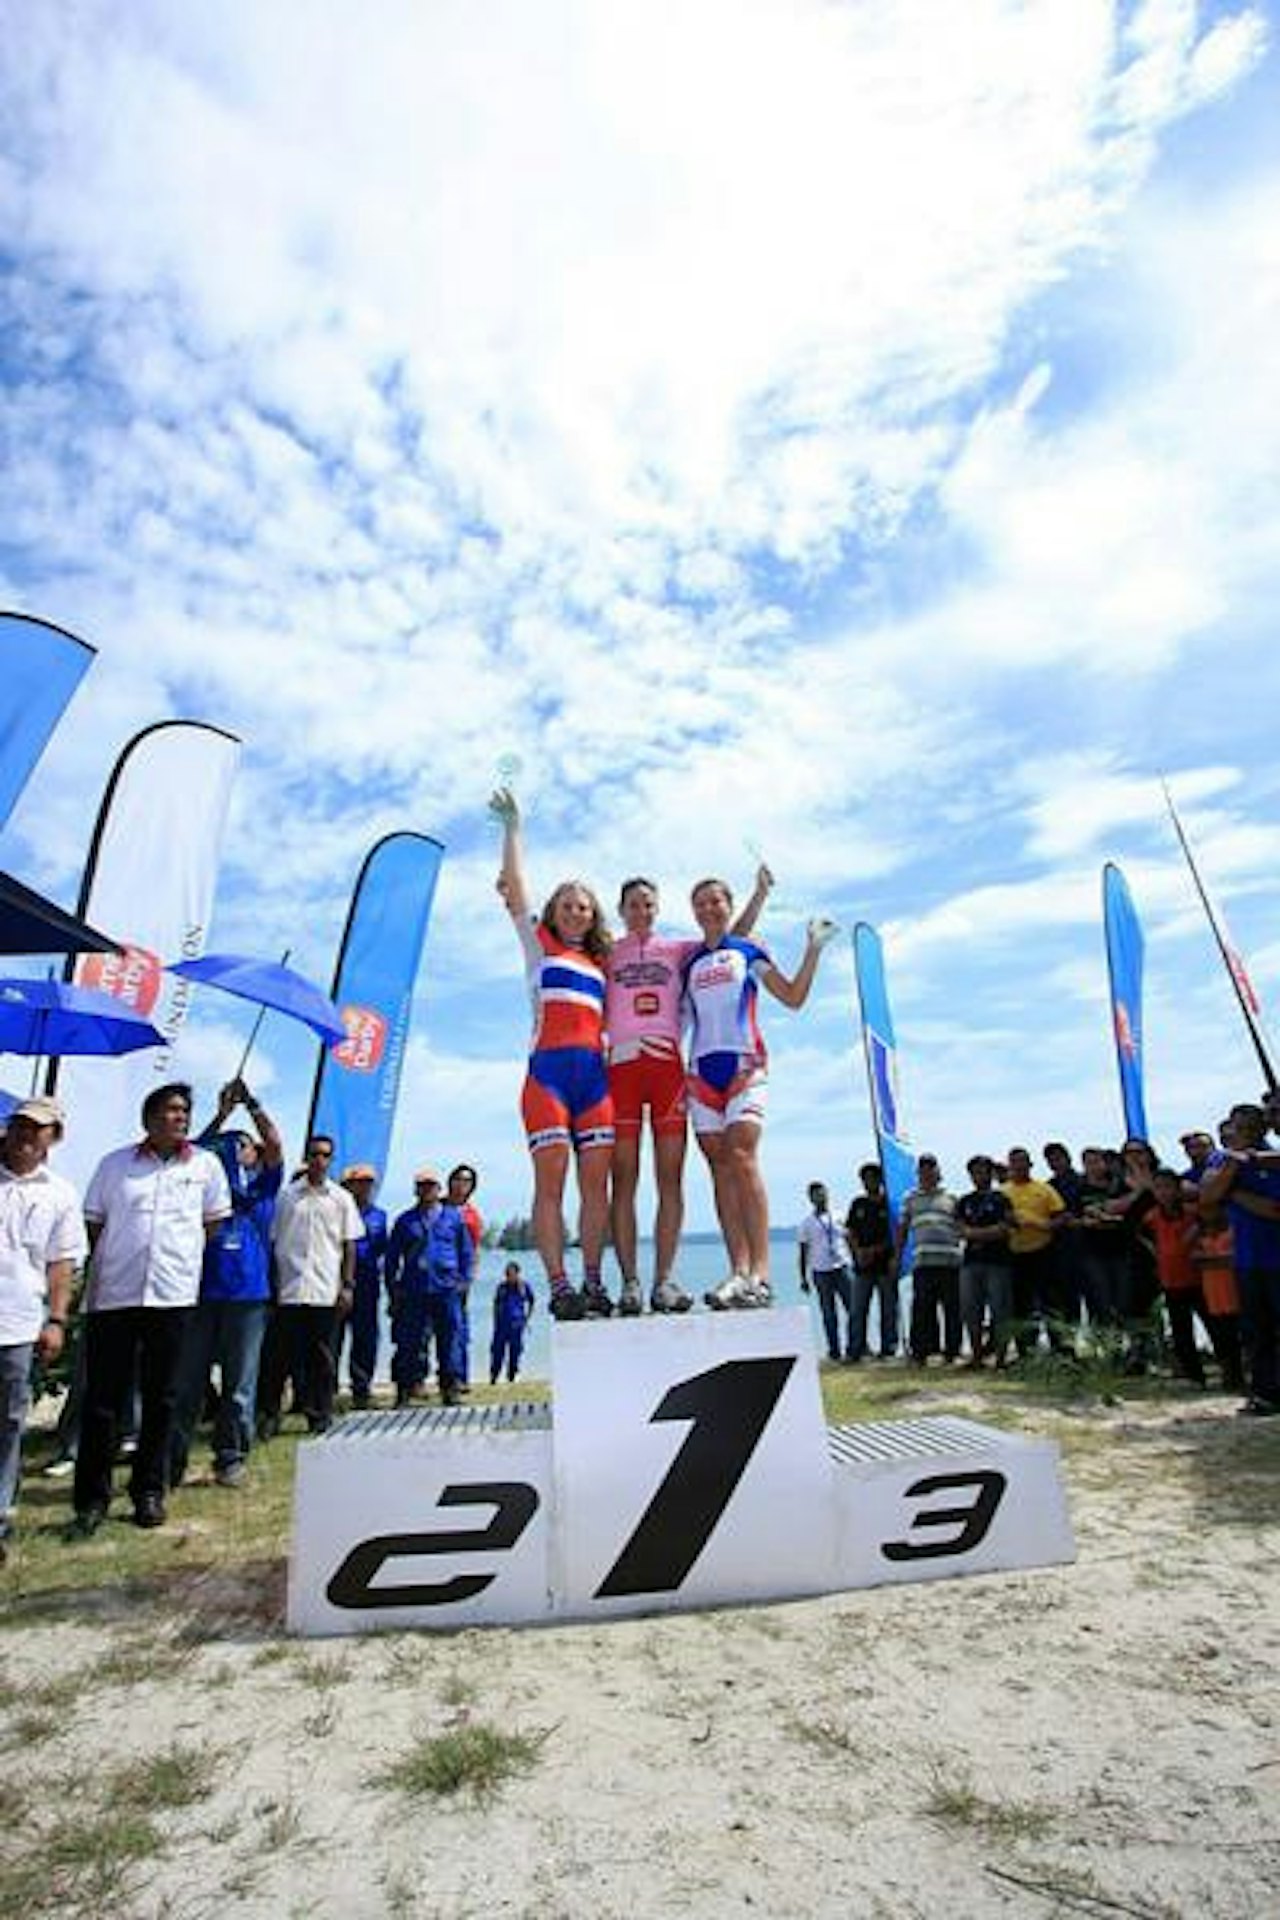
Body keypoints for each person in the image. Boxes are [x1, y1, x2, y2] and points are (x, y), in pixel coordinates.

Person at [606, 870, 770, 1315]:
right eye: (633, 905)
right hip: (619, 1067)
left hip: (668, 1069)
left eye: (649, 905)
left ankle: (663, 1281)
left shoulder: (679, 950)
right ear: (620, 911)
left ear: (658, 910)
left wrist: (759, 895)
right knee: (623, 1178)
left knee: (670, 1178)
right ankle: (629, 1283)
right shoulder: (607, 952)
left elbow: (729, 937)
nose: (641, 912)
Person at [73, 1083, 231, 1533]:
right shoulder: (115, 1165)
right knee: (103, 1400)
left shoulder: (205, 1165)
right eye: (168, 1110)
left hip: (172, 1296)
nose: (178, 1117)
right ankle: (91, 1499)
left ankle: (148, 1491)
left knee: (164, 1398)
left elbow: (213, 1222)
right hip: (115, 1296)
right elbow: (94, 1222)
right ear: (149, 1119)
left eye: (183, 1111)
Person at [685, 878, 838, 1308]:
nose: (709, 908)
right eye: (701, 903)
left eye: (717, 900)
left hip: (745, 1066)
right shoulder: (690, 960)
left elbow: (792, 997)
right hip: (700, 1074)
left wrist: (812, 949)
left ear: (728, 905)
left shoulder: (749, 951)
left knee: (742, 1157)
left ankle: (762, 1275)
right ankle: (738, 1271)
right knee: (719, 1169)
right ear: (694, 912)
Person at [491, 786, 614, 1320]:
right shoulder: (538, 944)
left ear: (592, 915)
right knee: (551, 1185)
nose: (575, 911)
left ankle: (592, 1280)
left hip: (596, 1082)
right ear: (553, 912)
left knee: (596, 1188)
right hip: (546, 1079)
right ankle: (560, 1285)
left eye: (583, 906)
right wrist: (513, 827)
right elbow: (516, 888)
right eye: (566, 904)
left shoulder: (602, 964)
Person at [169, 1079, 283, 1488]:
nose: (238, 1148)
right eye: (231, 1145)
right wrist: (220, 1114)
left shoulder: (264, 1189)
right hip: (199, 1293)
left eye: (244, 1144)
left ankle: (230, 1458)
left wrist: (250, 1104)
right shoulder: (204, 1185)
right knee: (186, 1383)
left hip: (248, 1298)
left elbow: (273, 1143)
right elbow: (192, 1150)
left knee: (239, 1385)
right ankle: (173, 1461)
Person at [0, 1098, 85, 1562]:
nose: (28, 1136)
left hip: (17, 1322)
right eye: (21, 1126)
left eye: (39, 1129)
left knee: (10, 1420)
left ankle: (1, 1512)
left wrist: (56, 1319)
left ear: (54, 1139)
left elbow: (61, 1263)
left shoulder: (60, 1193)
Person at [260, 1134, 364, 1436]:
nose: (319, 1160)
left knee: (322, 1358)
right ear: (306, 1157)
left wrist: (347, 1286)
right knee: (278, 1358)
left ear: (331, 1160)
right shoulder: (287, 1197)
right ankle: (269, 1416)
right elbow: (273, 1242)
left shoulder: (341, 1199)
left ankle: (319, 1414)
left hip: (324, 1291)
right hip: (290, 1290)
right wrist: (273, 1285)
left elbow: (349, 1246)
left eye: (325, 1155)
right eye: (315, 1154)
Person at [1200, 1104, 1280, 1415]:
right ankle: (1264, 1394)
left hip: (1276, 1258)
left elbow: (1274, 1210)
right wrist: (1232, 1170)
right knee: (1256, 1331)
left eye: (1248, 1127)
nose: (1241, 1133)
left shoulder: (1272, 1159)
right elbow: (1206, 1200)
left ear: (1262, 1128)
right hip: (1247, 1260)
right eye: (1237, 1127)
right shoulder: (1223, 1161)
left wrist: (1231, 1194)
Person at [387, 1168, 474, 1406]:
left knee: (450, 1339)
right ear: (416, 1190)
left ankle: (450, 1387)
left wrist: (464, 1280)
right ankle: (406, 1388)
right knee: (410, 1342)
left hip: (446, 1288)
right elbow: (392, 1258)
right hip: (414, 1289)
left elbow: (465, 1251)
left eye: (431, 1185)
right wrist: (392, 1288)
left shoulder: (453, 1218)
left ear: (439, 1189)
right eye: (422, 1185)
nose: (427, 1190)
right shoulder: (405, 1221)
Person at [892, 1154, 963, 1364]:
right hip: (923, 1261)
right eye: (923, 1170)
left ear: (938, 1172)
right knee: (922, 1308)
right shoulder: (910, 1198)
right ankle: (921, 1352)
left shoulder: (952, 1197)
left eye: (931, 1169)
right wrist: (897, 1257)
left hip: (951, 1261)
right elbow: (903, 1230)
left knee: (952, 1308)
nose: (927, 1174)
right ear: (918, 1174)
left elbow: (961, 1226)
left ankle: (952, 1351)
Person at [1001, 1146, 1068, 1356]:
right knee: (1021, 1305)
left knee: (1050, 1303)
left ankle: (1059, 1347)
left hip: (1043, 1252)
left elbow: (1062, 1216)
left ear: (1030, 1165)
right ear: (1009, 1166)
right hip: (1015, 1254)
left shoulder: (1044, 1189)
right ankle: (1025, 1350)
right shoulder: (1003, 1192)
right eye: (1014, 1163)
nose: (1019, 1167)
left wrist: (1045, 1225)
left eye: (1022, 1162)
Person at [956, 1155, 1014, 1367]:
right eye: (975, 1172)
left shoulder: (1002, 1199)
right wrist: (984, 1233)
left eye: (983, 1171)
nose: (979, 1176)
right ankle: (977, 1356)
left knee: (1000, 1310)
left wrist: (976, 1233)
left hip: (998, 1262)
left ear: (991, 1174)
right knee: (971, 1311)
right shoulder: (965, 1201)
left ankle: (1001, 1357)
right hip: (971, 1263)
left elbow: (1005, 1229)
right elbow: (959, 1230)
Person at [340, 1164, 387, 1410]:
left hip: (367, 1285)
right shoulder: (338, 1209)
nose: (365, 1187)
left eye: (369, 1182)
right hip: (337, 1284)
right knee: (332, 1339)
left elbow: (382, 1251)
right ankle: (324, 1391)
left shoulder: (379, 1216)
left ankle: (361, 1389)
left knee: (366, 1339)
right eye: (360, 1181)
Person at [797, 1181, 855, 1362]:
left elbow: (850, 1239)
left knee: (853, 1309)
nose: (820, 1197)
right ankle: (834, 1350)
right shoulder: (807, 1223)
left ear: (828, 1194)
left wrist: (856, 1262)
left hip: (842, 1266)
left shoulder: (839, 1216)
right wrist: (803, 1277)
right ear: (810, 1198)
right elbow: (803, 1251)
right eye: (815, 1195)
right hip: (821, 1271)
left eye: (822, 1193)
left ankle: (856, 1346)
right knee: (829, 1313)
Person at [845, 1162, 897, 1359]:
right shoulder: (858, 1203)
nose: (869, 1183)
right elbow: (850, 1232)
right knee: (857, 1309)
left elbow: (896, 1234)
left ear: (881, 1180)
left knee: (888, 1310)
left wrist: (876, 1251)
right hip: (862, 1267)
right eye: (865, 1179)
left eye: (873, 1178)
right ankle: (855, 1349)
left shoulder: (889, 1204)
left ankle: (888, 1348)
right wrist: (858, 1252)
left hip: (885, 1264)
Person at [447, 1164, 483, 1391]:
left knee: (458, 1327)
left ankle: (459, 1377)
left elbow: (474, 1250)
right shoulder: (438, 1207)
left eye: (467, 1180)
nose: (462, 1184)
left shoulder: (472, 1216)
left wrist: (468, 1278)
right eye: (458, 1179)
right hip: (434, 1277)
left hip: (459, 1280)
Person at [490, 1259, 535, 1385]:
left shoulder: (524, 1286)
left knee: (515, 1352)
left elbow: (532, 1301)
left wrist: (527, 1318)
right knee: (497, 1351)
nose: (509, 1276)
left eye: (511, 1273)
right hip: (501, 1325)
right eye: (507, 1274)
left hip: (517, 1324)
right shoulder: (501, 1287)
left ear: (517, 1273)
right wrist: (495, 1321)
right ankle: (494, 1376)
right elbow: (495, 1304)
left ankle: (512, 1376)